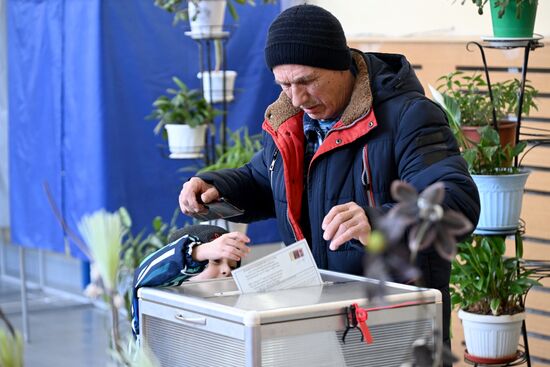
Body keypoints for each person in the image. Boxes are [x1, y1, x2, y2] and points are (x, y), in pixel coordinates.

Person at [179, 4, 480, 354]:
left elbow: (457, 203)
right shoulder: (287, 121)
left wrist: (376, 221)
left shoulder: (410, 116)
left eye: (307, 81)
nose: (296, 97)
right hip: (314, 326)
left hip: (394, 327)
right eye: (284, 84)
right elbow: (265, 181)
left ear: (341, 66)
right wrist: (218, 187)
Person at [131, 224, 250, 336]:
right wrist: (197, 252)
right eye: (215, 261)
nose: (226, 270)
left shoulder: (234, 319)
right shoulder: (157, 305)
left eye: (232, 267)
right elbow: (141, 277)